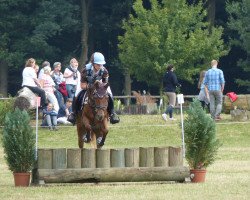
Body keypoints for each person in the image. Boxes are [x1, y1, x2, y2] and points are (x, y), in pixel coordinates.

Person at [67, 52, 120, 125]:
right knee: (77, 94)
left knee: (110, 94)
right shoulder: (85, 70)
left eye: (101, 64)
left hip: (100, 84)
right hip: (87, 84)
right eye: (98, 64)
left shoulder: (104, 71)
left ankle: (112, 113)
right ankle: (73, 113)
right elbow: (82, 85)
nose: (100, 66)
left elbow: (105, 84)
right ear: (93, 63)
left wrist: (100, 86)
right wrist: (91, 87)